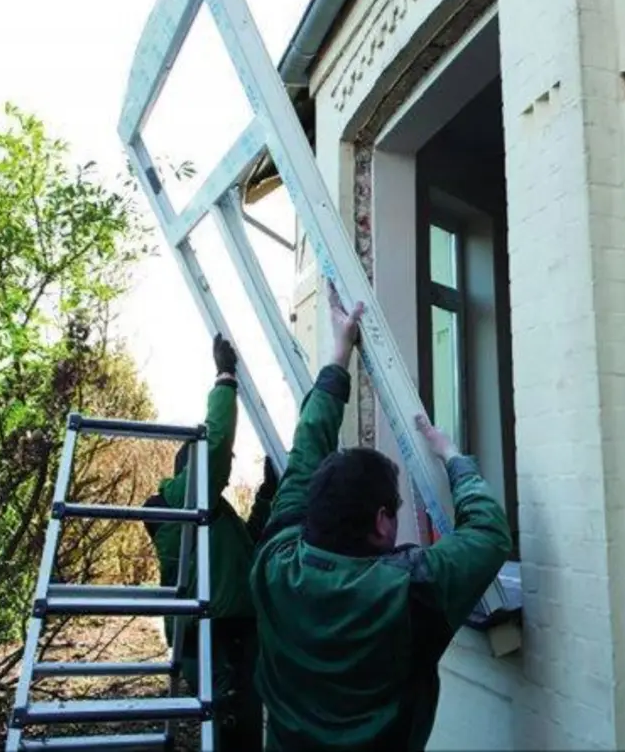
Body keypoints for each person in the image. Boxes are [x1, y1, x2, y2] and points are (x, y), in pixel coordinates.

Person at [250, 283, 513, 751]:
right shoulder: (410, 592)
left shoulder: (273, 563)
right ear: (380, 522)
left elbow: (307, 446)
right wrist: (453, 456)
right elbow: (490, 534)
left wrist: (339, 353)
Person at [143, 333, 277, 751]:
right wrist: (224, 377)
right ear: (192, 468)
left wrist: (268, 495)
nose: (226, 471)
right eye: (217, 470)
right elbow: (216, 447)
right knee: (230, 731)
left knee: (243, 731)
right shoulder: (178, 499)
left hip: (236, 635)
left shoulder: (213, 518)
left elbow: (247, 550)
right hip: (216, 638)